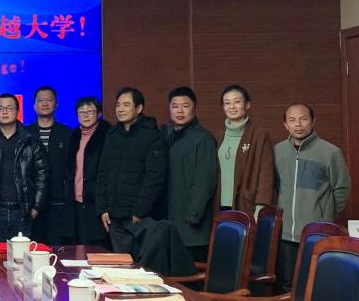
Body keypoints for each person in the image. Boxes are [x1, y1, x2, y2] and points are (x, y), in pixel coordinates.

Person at [274, 103, 351, 291]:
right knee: (288, 286)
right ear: (285, 125)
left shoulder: (330, 152)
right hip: (286, 234)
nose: (298, 124)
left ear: (313, 121)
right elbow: (275, 187)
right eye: (292, 120)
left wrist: (326, 215)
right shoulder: (277, 151)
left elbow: (342, 189)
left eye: (303, 119)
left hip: (318, 233)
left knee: (316, 285)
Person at [96, 87, 167, 249]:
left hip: (138, 217)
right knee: (121, 262)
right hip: (113, 217)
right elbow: (102, 173)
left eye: (126, 105)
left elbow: (155, 179)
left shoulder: (152, 136)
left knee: (142, 262)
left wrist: (139, 212)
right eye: (118, 105)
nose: (120, 109)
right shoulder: (112, 135)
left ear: (139, 108)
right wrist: (102, 209)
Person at [0, 93, 47, 243]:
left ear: (18, 111)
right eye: (1, 108)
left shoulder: (31, 141)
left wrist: (36, 207)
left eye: (9, 108)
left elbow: (42, 175)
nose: (5, 112)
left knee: (21, 255)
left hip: (22, 211)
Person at [163, 87, 218, 262]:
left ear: (194, 108)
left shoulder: (203, 138)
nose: (180, 111)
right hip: (172, 221)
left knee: (191, 272)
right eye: (175, 106)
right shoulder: (166, 136)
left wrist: (194, 215)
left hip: (192, 227)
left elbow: (205, 181)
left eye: (185, 106)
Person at [216, 85, 275, 218]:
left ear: (247, 105)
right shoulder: (219, 135)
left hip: (246, 204)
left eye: (237, 102)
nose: (232, 107)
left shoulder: (259, 135)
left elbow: (266, 174)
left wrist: (260, 208)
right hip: (220, 204)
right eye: (227, 103)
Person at [27, 86, 74, 245]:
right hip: (31, 205)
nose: (45, 103)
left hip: (58, 203)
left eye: (49, 100)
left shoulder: (67, 133)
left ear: (56, 104)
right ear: (34, 106)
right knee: (32, 249)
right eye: (41, 100)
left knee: (58, 249)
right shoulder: (25, 134)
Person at [65, 97, 110, 247]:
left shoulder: (107, 135)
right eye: (81, 112)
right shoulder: (74, 136)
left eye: (90, 111)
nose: (85, 115)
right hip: (76, 202)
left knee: (98, 248)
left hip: (97, 202)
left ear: (99, 113)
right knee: (78, 247)